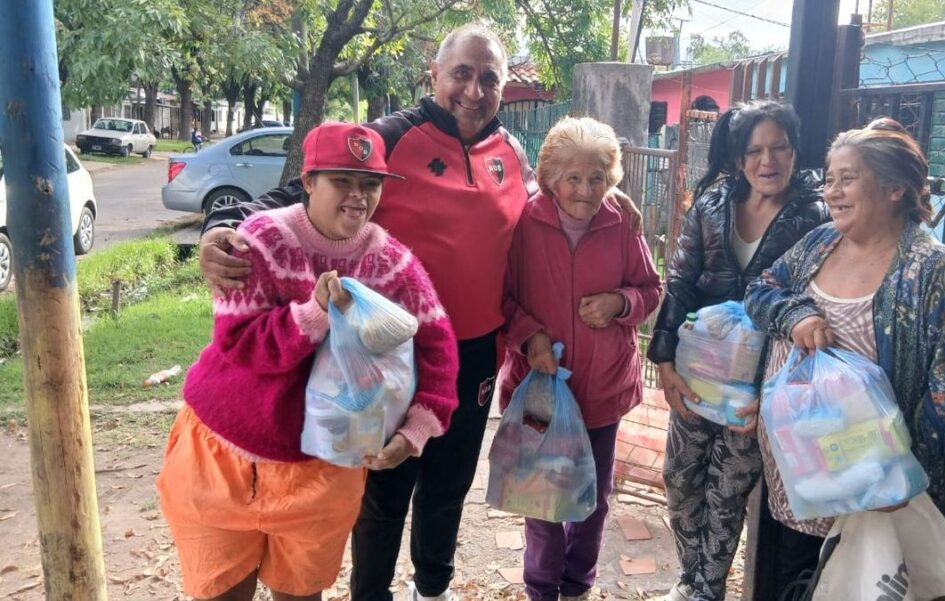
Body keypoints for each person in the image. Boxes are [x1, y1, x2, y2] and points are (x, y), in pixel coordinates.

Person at [196, 24, 641, 601]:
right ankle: (371, 593)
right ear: (433, 74)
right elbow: (303, 193)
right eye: (462, 73)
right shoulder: (392, 137)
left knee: (448, 482)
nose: (474, 90)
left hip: (476, 347)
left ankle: (432, 589)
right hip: (385, 346)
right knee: (384, 484)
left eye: (489, 79)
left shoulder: (510, 152)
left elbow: (552, 200)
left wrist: (610, 196)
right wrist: (219, 227)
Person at [156, 122, 459, 601]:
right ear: (309, 181)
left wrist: (417, 428)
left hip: (323, 468)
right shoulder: (259, 241)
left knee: (301, 595)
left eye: (370, 184)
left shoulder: (393, 264)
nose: (358, 197)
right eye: (342, 180)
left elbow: (438, 345)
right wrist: (315, 313)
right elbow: (240, 343)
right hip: (223, 456)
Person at [744, 118, 945, 598]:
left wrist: (894, 484)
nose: (832, 192)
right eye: (830, 178)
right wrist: (794, 314)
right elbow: (761, 288)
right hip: (796, 482)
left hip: (871, 501)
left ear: (894, 188)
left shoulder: (935, 273)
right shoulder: (820, 243)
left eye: (848, 179)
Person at [646, 101, 827, 601]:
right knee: (681, 485)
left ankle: (705, 592)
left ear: (794, 152)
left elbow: (815, 304)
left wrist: (777, 391)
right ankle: (694, 582)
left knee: (728, 497)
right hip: (697, 374)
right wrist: (663, 360)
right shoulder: (710, 205)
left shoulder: (817, 215)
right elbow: (680, 281)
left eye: (779, 149)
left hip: (758, 387)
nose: (767, 161)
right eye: (755, 151)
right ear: (738, 156)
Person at [499, 117, 662, 601]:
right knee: (542, 497)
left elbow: (651, 289)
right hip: (540, 389)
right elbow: (502, 298)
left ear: (610, 178)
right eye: (573, 178)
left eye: (596, 177)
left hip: (603, 389)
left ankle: (577, 585)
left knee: (593, 500)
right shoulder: (524, 223)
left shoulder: (621, 223)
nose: (585, 190)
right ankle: (542, 588)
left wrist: (621, 304)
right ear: (550, 179)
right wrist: (531, 339)